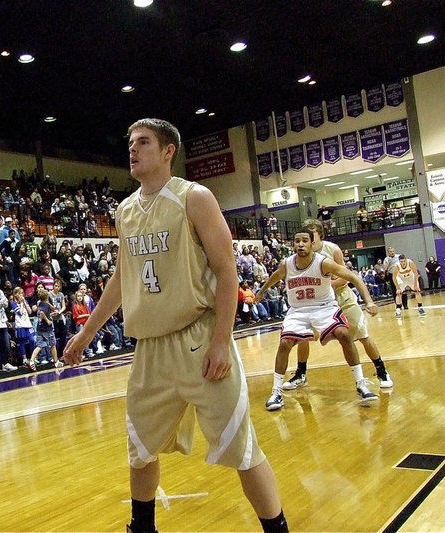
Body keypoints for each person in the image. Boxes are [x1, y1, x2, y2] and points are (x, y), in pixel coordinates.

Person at [63, 119, 287, 533]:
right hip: (150, 349)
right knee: (141, 450)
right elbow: (120, 279)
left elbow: (226, 271)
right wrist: (87, 333)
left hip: (199, 340)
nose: (133, 149)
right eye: (130, 143)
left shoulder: (194, 197)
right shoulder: (125, 211)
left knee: (241, 447)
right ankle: (142, 528)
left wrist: (222, 340)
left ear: (168, 151)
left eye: (143, 142)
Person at [255, 228, 380, 412]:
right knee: (284, 343)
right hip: (298, 311)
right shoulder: (287, 264)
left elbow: (353, 277)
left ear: (312, 244)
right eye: (297, 241)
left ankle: (361, 384)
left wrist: (368, 301)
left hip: (324, 308)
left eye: (304, 240)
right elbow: (275, 277)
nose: (300, 244)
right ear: (293, 245)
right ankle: (276, 391)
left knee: (344, 334)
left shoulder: (323, 263)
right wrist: (262, 291)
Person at [280, 220, 393, 391]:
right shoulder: (299, 256)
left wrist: (325, 285)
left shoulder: (332, 249)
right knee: (303, 337)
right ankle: (301, 374)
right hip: (317, 304)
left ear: (319, 234)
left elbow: (347, 276)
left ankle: (381, 370)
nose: (306, 240)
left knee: (362, 336)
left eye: (312, 234)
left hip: (342, 298)